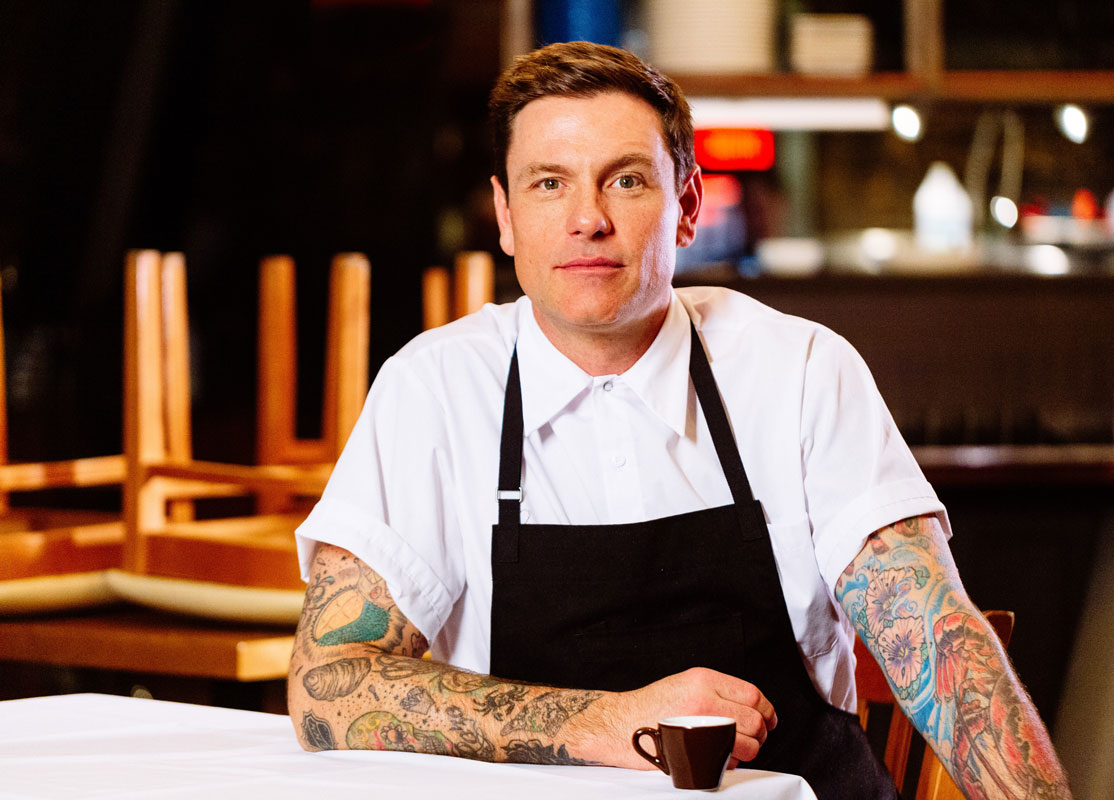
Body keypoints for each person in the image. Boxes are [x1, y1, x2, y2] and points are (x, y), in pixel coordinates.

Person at [287, 41, 1072, 799]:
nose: (587, 218)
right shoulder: (436, 389)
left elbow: (940, 649)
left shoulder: (798, 371)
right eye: (548, 184)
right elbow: (328, 685)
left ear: (687, 205)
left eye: (626, 181)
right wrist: (609, 722)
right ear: (504, 215)